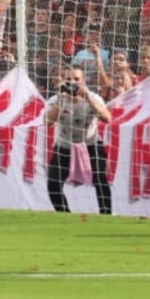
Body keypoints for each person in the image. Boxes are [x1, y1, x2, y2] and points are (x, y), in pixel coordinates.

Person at [45, 66, 113, 215]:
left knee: (100, 179)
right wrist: (61, 101)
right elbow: (47, 122)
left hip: (90, 144)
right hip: (65, 145)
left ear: (83, 81)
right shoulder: (56, 99)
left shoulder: (93, 98)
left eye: (76, 79)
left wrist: (88, 97)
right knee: (53, 183)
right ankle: (64, 215)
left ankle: (106, 215)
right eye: (68, 79)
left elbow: (107, 118)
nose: (72, 83)